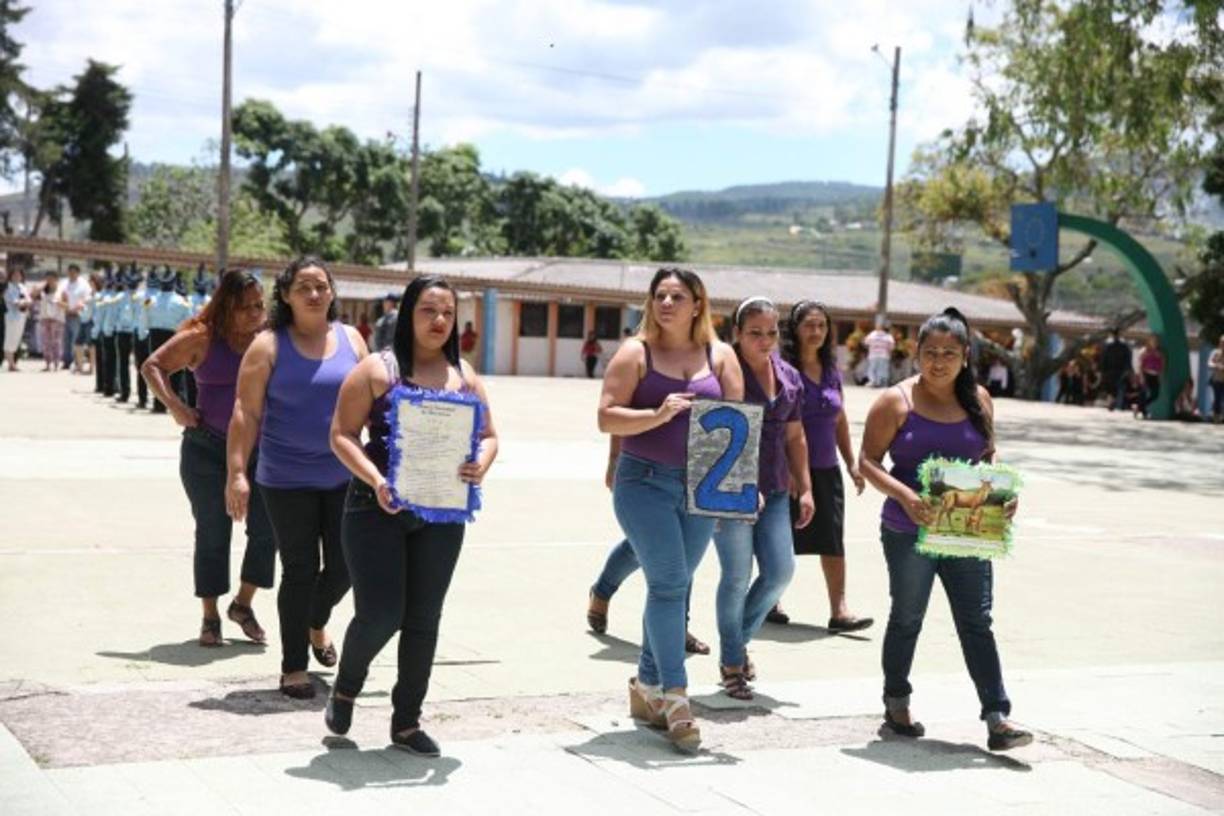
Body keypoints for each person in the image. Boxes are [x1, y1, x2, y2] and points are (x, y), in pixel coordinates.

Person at [324, 275, 499, 756]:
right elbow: (341, 434)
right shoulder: (376, 371)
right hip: (375, 507)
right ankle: (346, 688)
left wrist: (480, 463)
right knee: (381, 614)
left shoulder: (464, 376)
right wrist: (375, 480)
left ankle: (406, 723)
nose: (440, 321)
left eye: (448, 313)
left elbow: (488, 435)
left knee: (424, 618)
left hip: (443, 512)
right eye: (428, 310)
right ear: (407, 314)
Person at [859, 306, 1030, 752]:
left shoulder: (980, 399)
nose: (938, 361)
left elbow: (987, 458)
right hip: (907, 530)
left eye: (949, 353)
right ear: (915, 352)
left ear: (965, 354)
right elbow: (868, 463)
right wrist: (906, 497)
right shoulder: (894, 401)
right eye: (930, 352)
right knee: (907, 617)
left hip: (966, 532)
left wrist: (1002, 498)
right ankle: (896, 702)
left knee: (977, 621)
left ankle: (998, 717)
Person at [597, 266, 744, 754]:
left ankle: (646, 687)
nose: (666, 303)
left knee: (675, 585)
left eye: (677, 296)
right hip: (643, 483)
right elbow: (606, 415)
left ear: (698, 304)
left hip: (700, 488)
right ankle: (677, 699)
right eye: (659, 295)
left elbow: (738, 428)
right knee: (669, 584)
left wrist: (739, 489)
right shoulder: (634, 352)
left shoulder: (720, 356)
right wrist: (656, 415)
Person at [227, 257, 366, 699]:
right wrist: (236, 473)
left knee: (347, 566)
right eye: (303, 287)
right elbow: (245, 413)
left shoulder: (353, 339)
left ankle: (315, 621)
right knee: (300, 569)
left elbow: (377, 401)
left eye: (321, 286)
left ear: (331, 292)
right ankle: (293, 667)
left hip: (345, 475)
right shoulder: (268, 345)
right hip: (285, 479)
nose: (313, 294)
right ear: (285, 295)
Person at [142, 268, 277, 647]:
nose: (255, 313)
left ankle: (243, 604)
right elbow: (152, 365)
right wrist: (175, 406)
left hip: (259, 452)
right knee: (213, 531)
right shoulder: (201, 337)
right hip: (206, 450)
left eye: (260, 306)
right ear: (227, 306)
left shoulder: (269, 341)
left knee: (268, 531)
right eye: (246, 307)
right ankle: (210, 616)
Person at [710, 297, 813, 700]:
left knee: (780, 572)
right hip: (729, 489)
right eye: (755, 333)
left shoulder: (788, 376)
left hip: (773, 488)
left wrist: (805, 487)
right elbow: (711, 433)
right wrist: (734, 484)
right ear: (737, 333)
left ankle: (733, 646)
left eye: (772, 332)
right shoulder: (723, 371)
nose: (765, 340)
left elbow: (795, 436)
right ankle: (733, 664)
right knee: (736, 577)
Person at [769, 300, 873, 632]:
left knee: (832, 539)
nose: (816, 332)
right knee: (778, 537)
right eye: (809, 325)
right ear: (794, 330)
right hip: (786, 470)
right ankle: (769, 600)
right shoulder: (779, 368)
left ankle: (839, 610)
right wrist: (788, 472)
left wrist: (851, 462)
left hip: (827, 469)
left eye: (822, 326)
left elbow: (839, 420)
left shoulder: (832, 370)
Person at [585, 435, 712, 656]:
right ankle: (602, 592)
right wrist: (615, 458)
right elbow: (621, 409)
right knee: (638, 548)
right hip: (648, 473)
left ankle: (677, 628)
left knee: (682, 557)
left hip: (698, 469)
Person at [145, 268, 194, 414]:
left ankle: (158, 404)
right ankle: (174, 405)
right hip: (173, 336)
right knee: (175, 371)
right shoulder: (182, 302)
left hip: (155, 335)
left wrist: (145, 331)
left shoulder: (150, 301)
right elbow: (188, 322)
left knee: (156, 371)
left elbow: (145, 317)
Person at [112, 265, 142, 403]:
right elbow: (115, 314)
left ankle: (142, 396)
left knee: (139, 365)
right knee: (123, 364)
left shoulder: (141, 297)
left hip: (136, 332)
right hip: (124, 332)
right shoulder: (119, 297)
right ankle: (125, 393)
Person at [61, 263, 91, 372]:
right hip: (65, 314)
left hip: (78, 315)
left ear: (78, 273)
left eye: (74, 272)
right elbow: (60, 297)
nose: (71, 274)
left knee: (76, 340)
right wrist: (65, 307)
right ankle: (66, 361)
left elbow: (87, 298)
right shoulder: (64, 283)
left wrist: (76, 308)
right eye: (70, 272)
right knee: (66, 339)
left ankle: (77, 361)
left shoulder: (83, 284)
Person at [37, 271, 66, 372]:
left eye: (51, 278)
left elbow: (67, 305)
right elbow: (33, 295)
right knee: (46, 342)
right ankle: (47, 363)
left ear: (56, 279)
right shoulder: (44, 291)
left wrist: (58, 303)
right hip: (45, 318)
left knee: (56, 342)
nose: (49, 281)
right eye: (47, 278)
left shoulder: (61, 290)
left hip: (57, 319)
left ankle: (57, 363)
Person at [3, 267, 31, 371]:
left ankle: (12, 362)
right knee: (10, 338)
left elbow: (28, 299)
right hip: (11, 316)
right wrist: (23, 302)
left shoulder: (23, 287)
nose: (17, 277)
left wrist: (26, 302)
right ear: (10, 276)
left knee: (16, 338)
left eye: (19, 275)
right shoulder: (8, 287)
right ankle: (11, 363)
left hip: (21, 316)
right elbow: (13, 301)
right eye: (14, 275)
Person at [75, 272, 100, 378]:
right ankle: (80, 367)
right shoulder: (89, 293)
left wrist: (83, 303)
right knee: (78, 343)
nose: (90, 282)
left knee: (91, 345)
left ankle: (92, 367)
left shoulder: (98, 294)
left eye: (92, 280)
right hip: (84, 319)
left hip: (93, 321)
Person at [1101, 331, 1131, 411]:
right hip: (1119, 370)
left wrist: (1102, 370)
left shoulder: (1108, 346)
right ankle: (1112, 402)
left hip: (1109, 370)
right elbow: (1127, 359)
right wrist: (1127, 369)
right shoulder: (1124, 346)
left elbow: (1104, 358)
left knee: (1110, 387)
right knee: (1115, 387)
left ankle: (1111, 402)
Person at [864, 319, 895, 388]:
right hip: (884, 355)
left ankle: (873, 381)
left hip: (873, 355)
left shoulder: (872, 334)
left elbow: (866, 342)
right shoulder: (888, 336)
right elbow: (892, 346)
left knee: (872, 369)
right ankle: (880, 382)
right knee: (882, 369)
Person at [1138, 336, 1164, 417]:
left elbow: (1162, 364)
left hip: (1155, 375)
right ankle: (1143, 410)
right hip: (1146, 374)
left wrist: (1160, 375)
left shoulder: (1159, 352)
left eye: (1155, 341)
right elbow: (1140, 365)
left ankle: (1142, 406)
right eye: (1152, 341)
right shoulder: (1145, 351)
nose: (1154, 343)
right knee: (1144, 392)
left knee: (1155, 394)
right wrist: (1141, 376)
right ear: (1149, 342)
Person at [1209, 335, 1224, 423]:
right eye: (1222, 343)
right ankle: (1216, 418)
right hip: (1217, 380)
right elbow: (1209, 363)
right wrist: (1217, 366)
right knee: (1217, 399)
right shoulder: (1215, 352)